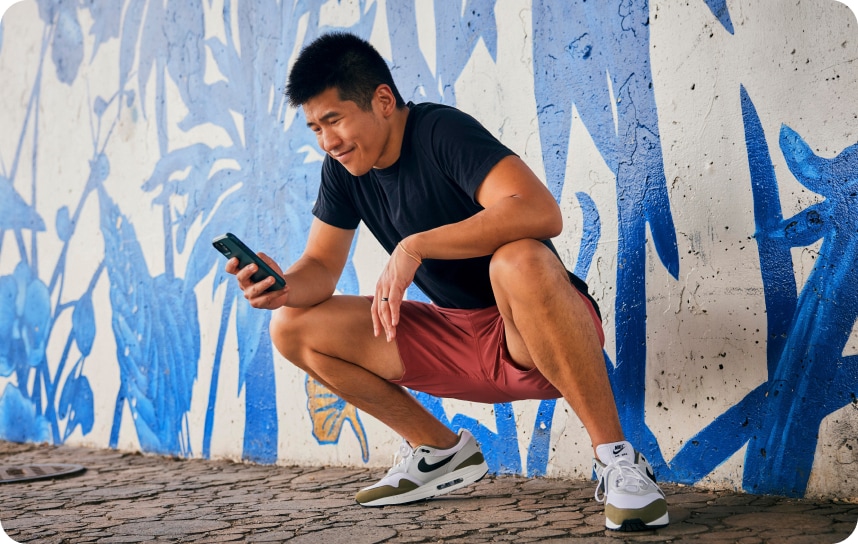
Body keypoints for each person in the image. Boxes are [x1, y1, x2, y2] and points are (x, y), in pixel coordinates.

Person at [226, 31, 669, 532]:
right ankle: (438, 452)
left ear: (383, 101)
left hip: (534, 331)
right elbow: (321, 270)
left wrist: (414, 246)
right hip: (458, 338)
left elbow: (540, 211)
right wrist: (283, 285)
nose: (328, 140)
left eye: (334, 120)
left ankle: (616, 460)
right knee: (291, 326)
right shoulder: (344, 169)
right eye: (315, 128)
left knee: (517, 259)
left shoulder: (441, 131)